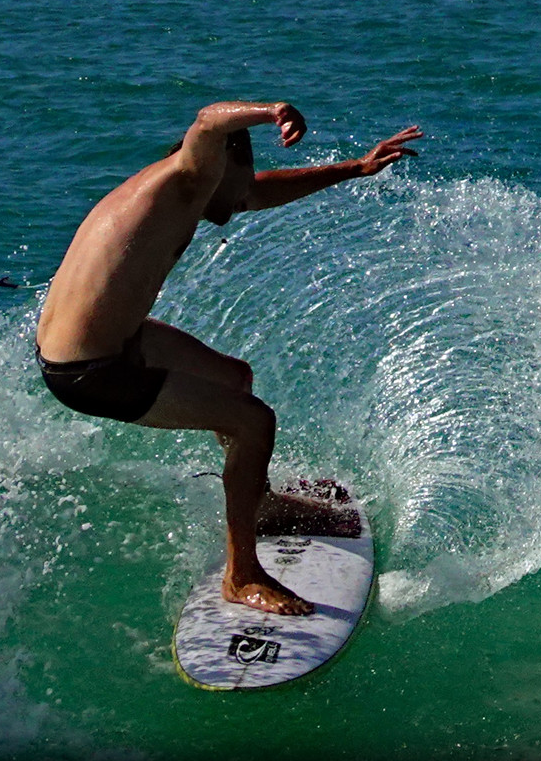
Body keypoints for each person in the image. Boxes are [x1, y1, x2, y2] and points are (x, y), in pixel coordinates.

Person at [36, 102, 421, 615]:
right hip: (89, 369)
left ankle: (258, 505)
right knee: (253, 423)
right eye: (239, 187)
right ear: (215, 167)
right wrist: (272, 112)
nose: (243, 201)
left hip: (110, 339)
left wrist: (356, 168)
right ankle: (241, 574)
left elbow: (261, 189)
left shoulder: (189, 191)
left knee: (234, 377)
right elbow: (207, 121)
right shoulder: (188, 174)